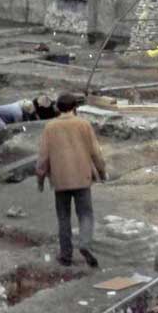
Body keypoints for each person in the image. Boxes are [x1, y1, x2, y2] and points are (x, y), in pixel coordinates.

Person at [36, 93, 107, 268]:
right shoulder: (84, 124)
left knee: (63, 217)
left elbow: (43, 157)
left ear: (57, 108)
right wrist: (102, 171)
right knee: (85, 214)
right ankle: (84, 244)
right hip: (82, 177)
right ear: (75, 107)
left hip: (60, 180)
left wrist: (40, 177)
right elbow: (96, 152)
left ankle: (66, 255)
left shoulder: (50, 127)